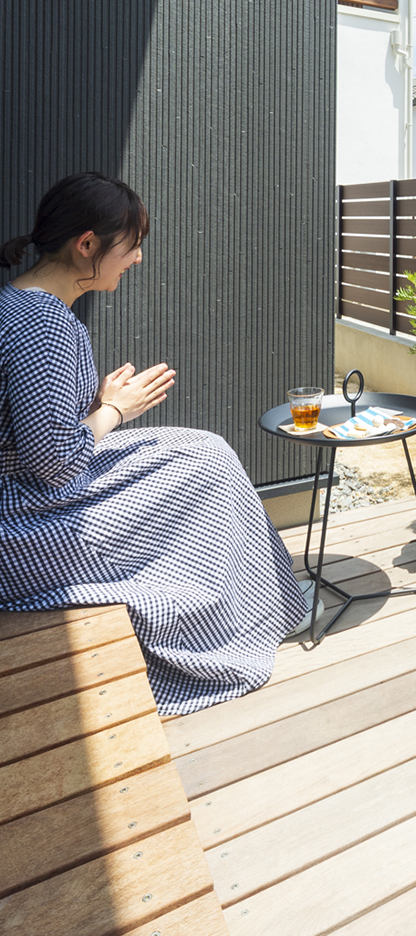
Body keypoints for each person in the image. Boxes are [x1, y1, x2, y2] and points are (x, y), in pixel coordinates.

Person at [0, 172, 308, 716]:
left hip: (30, 493)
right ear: (87, 244)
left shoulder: (21, 303)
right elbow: (53, 462)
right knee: (204, 471)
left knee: (203, 450)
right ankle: (241, 618)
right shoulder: (42, 323)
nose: (138, 258)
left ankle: (263, 599)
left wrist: (97, 402)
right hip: (25, 520)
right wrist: (116, 409)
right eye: (131, 245)